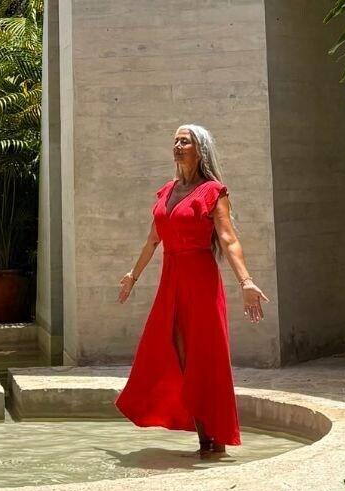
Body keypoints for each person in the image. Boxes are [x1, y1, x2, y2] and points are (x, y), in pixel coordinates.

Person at [115, 124, 269, 457]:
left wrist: (246, 281)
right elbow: (152, 240)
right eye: (175, 140)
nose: (177, 145)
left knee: (205, 358)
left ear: (200, 150)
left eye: (185, 141)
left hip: (200, 280)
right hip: (170, 280)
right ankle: (205, 439)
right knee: (172, 354)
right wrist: (133, 275)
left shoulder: (213, 191)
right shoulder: (167, 192)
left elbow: (228, 239)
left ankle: (214, 440)